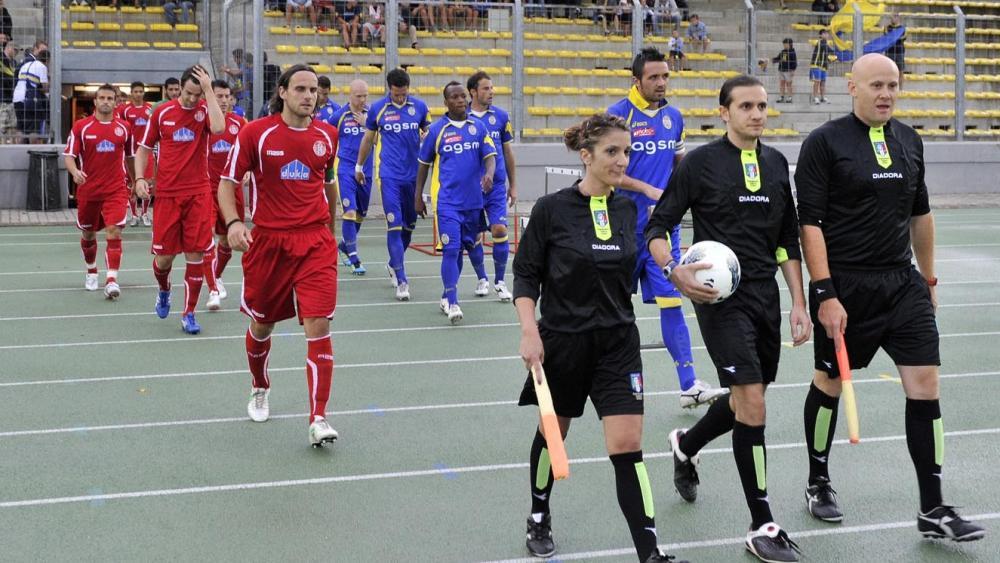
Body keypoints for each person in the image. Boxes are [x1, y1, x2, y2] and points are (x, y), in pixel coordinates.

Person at [794, 53, 985, 542]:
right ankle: (818, 480)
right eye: (876, 85)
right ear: (851, 87)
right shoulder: (823, 143)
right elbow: (809, 224)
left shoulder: (909, 139)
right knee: (829, 382)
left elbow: (921, 216)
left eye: (893, 86)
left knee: (926, 384)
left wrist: (930, 279)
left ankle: (933, 506)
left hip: (902, 284)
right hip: (847, 287)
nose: (886, 94)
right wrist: (825, 294)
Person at [646, 75, 810, 563]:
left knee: (749, 399)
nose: (757, 114)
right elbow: (660, 225)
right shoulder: (698, 164)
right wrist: (674, 271)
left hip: (764, 296)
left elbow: (787, 240)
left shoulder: (778, 162)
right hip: (719, 300)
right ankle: (762, 523)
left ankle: (686, 444)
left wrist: (798, 303)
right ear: (724, 112)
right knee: (753, 405)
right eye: (745, 106)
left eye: (762, 106)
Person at [513, 113, 684, 563]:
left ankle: (650, 552)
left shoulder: (628, 210)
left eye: (627, 151)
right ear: (585, 156)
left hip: (617, 343)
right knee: (554, 435)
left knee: (627, 445)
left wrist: (678, 273)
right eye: (612, 151)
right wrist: (530, 332)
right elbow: (526, 276)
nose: (622, 159)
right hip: (562, 342)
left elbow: (651, 255)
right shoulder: (551, 210)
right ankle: (538, 513)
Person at [219, 64, 341, 448]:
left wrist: (332, 232)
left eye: (314, 90)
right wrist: (235, 222)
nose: (310, 96)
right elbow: (227, 183)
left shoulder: (328, 136)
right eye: (301, 89)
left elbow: (329, 186)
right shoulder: (256, 134)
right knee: (262, 326)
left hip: (315, 242)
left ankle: (318, 417)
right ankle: (259, 385)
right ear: (283, 92)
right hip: (269, 243)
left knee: (318, 325)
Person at [607, 47, 724, 410]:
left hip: (662, 229)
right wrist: (646, 189)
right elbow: (605, 171)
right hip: (621, 226)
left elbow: (678, 164)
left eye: (665, 76)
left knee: (674, 299)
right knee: (612, 306)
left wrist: (685, 194)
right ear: (636, 80)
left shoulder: (674, 116)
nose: (661, 83)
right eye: (654, 77)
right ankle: (608, 382)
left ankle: (689, 384)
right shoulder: (617, 115)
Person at [134, 65, 224, 335]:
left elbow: (219, 128)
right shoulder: (161, 112)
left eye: (197, 94)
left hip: (198, 194)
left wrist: (209, 91)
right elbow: (144, 148)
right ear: (179, 89)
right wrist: (139, 178)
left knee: (195, 256)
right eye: (188, 93)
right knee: (164, 259)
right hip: (168, 196)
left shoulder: (205, 111)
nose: (192, 99)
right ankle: (164, 290)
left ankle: (189, 313)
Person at [414, 81, 496, 324]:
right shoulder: (437, 130)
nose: (460, 100)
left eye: (463, 96)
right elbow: (423, 165)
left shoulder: (478, 127)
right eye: (455, 97)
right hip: (448, 203)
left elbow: (490, 157)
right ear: (446, 102)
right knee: (451, 249)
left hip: (473, 203)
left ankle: (445, 294)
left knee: (466, 249)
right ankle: (453, 301)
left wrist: (489, 174)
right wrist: (418, 196)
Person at [355, 68, 429, 301]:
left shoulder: (419, 107)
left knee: (408, 228)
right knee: (394, 225)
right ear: (390, 89)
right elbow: (368, 138)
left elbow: (428, 132)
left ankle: (393, 264)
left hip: (414, 177)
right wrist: (359, 166)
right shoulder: (379, 108)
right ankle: (402, 279)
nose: (400, 98)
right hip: (389, 177)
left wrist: (427, 136)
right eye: (397, 94)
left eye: (404, 94)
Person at [63, 84, 134, 300]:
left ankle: (112, 279)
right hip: (89, 191)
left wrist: (136, 180)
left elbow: (130, 157)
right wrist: (75, 172)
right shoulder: (81, 127)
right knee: (88, 233)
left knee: (114, 231)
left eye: (110, 98)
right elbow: (69, 155)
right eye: (101, 97)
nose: (105, 101)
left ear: (116, 102)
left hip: (116, 189)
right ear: (95, 101)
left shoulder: (124, 128)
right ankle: (92, 270)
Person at [467, 71, 517, 302]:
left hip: (496, 186)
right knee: (474, 235)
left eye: (492, 88)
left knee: (499, 229)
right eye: (486, 88)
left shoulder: (501, 116)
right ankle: (482, 278)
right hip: (471, 188)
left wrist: (513, 185)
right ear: (473, 92)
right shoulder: (462, 116)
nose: (491, 92)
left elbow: (507, 152)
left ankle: (500, 281)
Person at [204, 79, 247, 310]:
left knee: (227, 240)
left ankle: (216, 276)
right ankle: (212, 288)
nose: (222, 101)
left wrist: (248, 170)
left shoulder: (240, 123)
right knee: (206, 238)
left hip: (232, 189)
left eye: (226, 96)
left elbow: (248, 153)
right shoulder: (203, 123)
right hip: (207, 188)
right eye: (218, 96)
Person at [330, 79, 373, 275]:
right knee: (349, 211)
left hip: (367, 171)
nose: (362, 100)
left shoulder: (372, 115)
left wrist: (368, 125)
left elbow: (380, 139)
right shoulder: (339, 116)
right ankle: (355, 259)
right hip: (346, 169)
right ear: (350, 95)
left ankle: (344, 246)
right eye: (359, 96)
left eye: (365, 96)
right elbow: (327, 136)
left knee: (361, 214)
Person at [122, 81, 153, 226]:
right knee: (131, 184)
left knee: (147, 183)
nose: (138, 94)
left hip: (146, 152)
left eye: (141, 91)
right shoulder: (125, 110)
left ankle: (145, 213)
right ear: (131, 93)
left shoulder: (150, 108)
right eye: (136, 91)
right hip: (130, 153)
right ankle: (134, 215)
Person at [12, 48, 48, 143]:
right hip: (29, 99)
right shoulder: (42, 66)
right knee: (34, 128)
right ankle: (33, 151)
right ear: (47, 60)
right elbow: (45, 87)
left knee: (21, 127)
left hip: (17, 98)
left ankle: (18, 150)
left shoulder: (26, 65)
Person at [0, 39, 18, 142]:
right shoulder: (1, 59)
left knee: (12, 126)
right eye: (15, 50)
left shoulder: (14, 63)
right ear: (9, 48)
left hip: (11, 99)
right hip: (2, 98)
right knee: (2, 125)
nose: (16, 53)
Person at [884, 13, 906, 90]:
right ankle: (888, 87)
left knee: (900, 71)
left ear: (898, 18)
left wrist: (894, 38)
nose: (894, 18)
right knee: (888, 70)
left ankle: (901, 89)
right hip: (889, 51)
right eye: (893, 17)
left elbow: (903, 37)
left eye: (896, 17)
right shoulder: (888, 27)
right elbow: (886, 36)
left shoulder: (902, 28)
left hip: (899, 52)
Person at [809, 29, 831, 104]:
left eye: (827, 33)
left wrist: (830, 58)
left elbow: (827, 53)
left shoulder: (825, 43)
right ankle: (815, 97)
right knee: (817, 81)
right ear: (820, 35)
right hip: (816, 64)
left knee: (823, 82)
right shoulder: (820, 42)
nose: (826, 35)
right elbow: (829, 50)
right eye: (824, 33)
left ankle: (822, 97)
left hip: (823, 66)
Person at [773, 38, 797, 103]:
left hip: (788, 71)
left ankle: (790, 97)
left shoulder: (792, 52)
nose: (784, 45)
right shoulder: (783, 51)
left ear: (790, 44)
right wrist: (773, 60)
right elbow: (779, 59)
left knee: (789, 84)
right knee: (782, 83)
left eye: (785, 44)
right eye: (784, 44)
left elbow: (794, 62)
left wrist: (793, 70)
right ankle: (781, 96)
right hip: (781, 70)